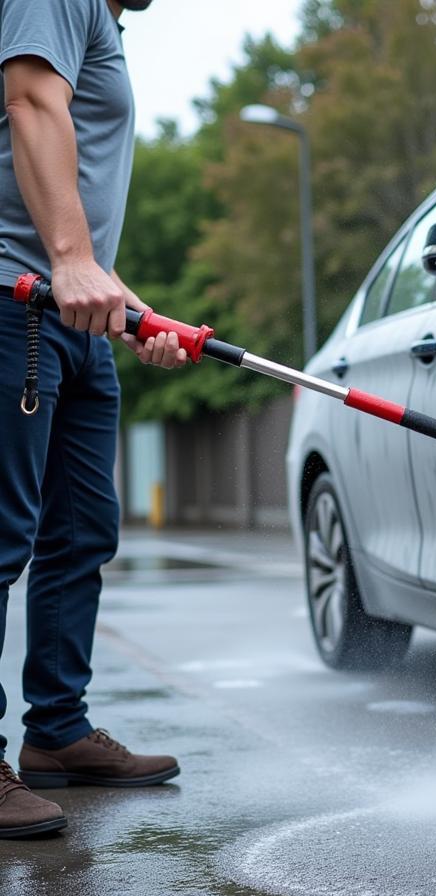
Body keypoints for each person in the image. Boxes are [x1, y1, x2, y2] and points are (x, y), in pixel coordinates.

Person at [0, 0, 183, 840]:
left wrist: (117, 292)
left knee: (80, 532)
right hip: (18, 302)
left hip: (69, 316)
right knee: (5, 533)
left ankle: (58, 733)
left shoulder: (98, 19)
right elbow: (31, 98)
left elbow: (71, 165)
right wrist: (72, 263)